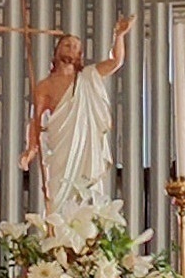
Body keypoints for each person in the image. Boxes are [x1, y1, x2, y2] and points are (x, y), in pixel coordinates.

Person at [20, 16, 132, 223]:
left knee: (86, 199)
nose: (71, 49)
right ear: (57, 51)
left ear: (80, 54)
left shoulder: (87, 77)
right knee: (58, 200)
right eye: (67, 45)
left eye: (76, 47)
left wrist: (119, 36)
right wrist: (31, 149)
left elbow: (116, 62)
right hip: (61, 149)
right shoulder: (45, 86)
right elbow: (35, 121)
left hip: (86, 148)